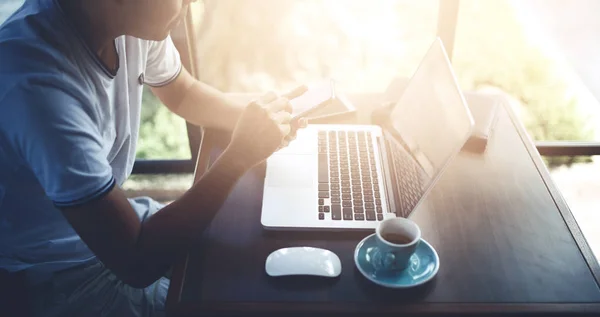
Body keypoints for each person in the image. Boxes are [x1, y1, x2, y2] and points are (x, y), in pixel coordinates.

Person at [0, 0, 307, 316]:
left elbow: (183, 92)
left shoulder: (129, 20)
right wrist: (239, 157)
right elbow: (136, 261)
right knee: (235, 298)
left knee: (246, 252)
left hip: (119, 229)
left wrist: (266, 117)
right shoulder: (39, 86)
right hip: (62, 273)